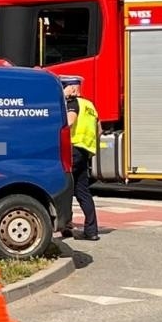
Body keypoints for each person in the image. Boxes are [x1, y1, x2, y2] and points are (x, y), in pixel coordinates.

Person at [60, 75, 99, 241]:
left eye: (64, 87)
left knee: (65, 188)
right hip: (85, 152)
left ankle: (66, 226)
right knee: (83, 191)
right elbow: (99, 129)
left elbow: (68, 123)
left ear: (72, 88)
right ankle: (92, 231)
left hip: (72, 149)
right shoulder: (90, 105)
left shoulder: (73, 104)